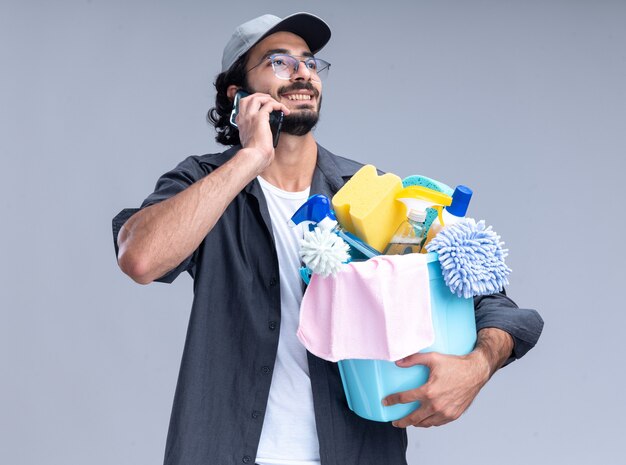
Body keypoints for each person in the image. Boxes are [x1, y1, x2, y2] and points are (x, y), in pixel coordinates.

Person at [112, 12, 543, 465]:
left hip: (355, 451)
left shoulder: (369, 193)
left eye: (310, 63)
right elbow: (140, 258)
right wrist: (251, 156)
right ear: (237, 94)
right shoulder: (206, 182)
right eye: (278, 62)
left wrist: (476, 367)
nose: (302, 72)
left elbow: (496, 304)